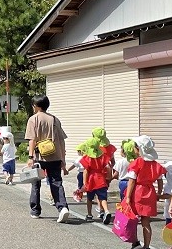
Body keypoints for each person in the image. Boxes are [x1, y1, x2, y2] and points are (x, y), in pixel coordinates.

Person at [24, 95, 70, 223]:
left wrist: (30, 156)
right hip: (55, 156)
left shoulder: (33, 119)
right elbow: (61, 141)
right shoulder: (55, 119)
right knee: (56, 183)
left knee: (36, 184)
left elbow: (32, 139)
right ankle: (62, 208)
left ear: (37, 106)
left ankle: (35, 210)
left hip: (39, 157)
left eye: (34, 105)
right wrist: (63, 160)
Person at [125, 135, 164, 249]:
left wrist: (127, 196)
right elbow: (160, 180)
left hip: (138, 192)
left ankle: (135, 243)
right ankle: (147, 248)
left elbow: (132, 181)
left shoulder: (137, 163)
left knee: (132, 219)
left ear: (138, 148)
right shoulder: (156, 165)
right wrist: (158, 193)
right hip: (150, 192)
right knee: (146, 222)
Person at [78, 138, 113, 225]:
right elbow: (108, 167)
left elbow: (86, 171)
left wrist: (85, 183)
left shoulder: (87, 158)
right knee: (102, 197)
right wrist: (108, 177)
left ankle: (89, 215)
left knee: (89, 198)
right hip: (101, 178)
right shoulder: (103, 156)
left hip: (91, 179)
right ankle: (106, 211)